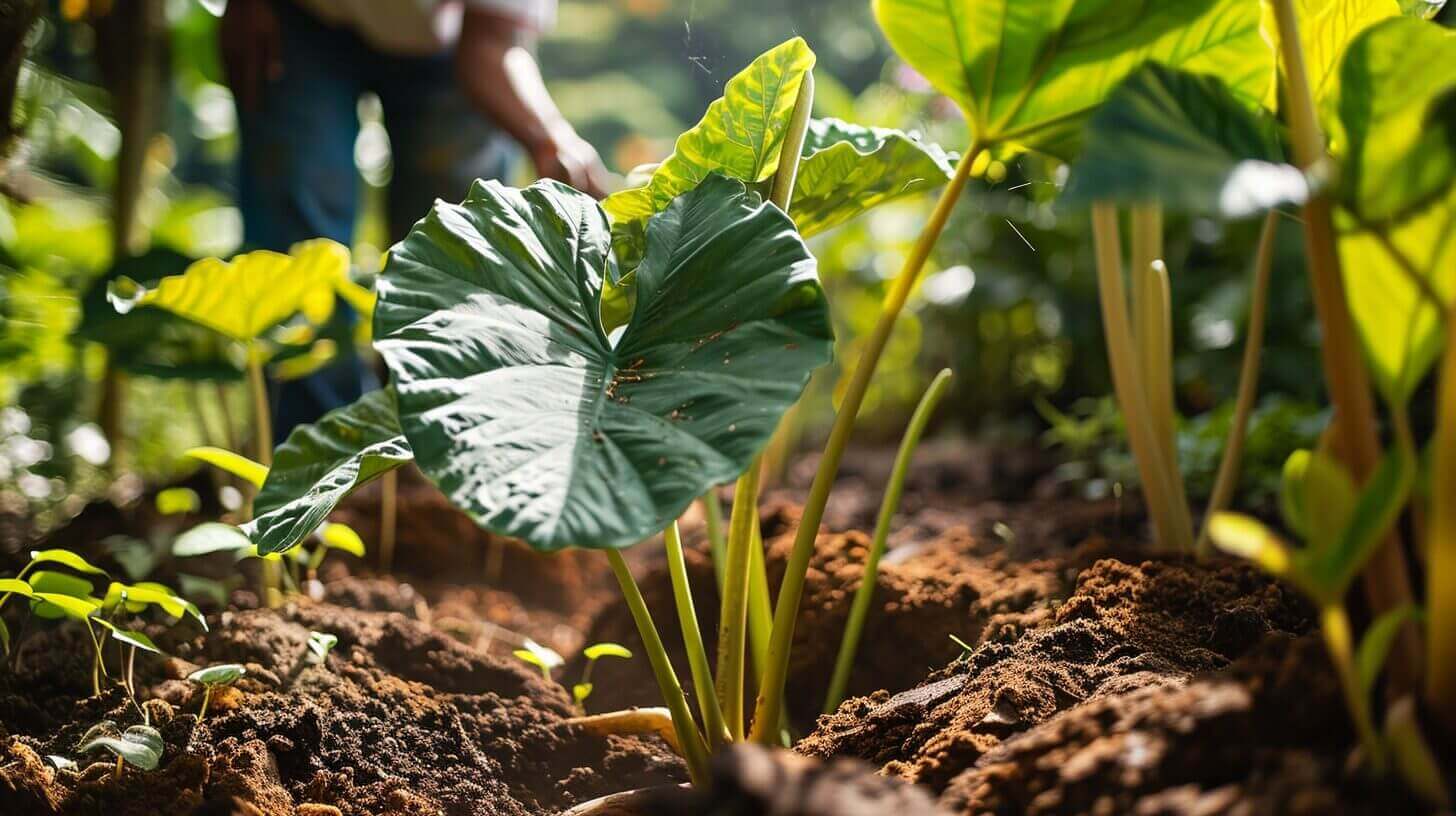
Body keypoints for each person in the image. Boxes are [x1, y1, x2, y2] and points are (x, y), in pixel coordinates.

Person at [220, 0, 609, 436]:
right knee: (298, 236)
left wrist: (550, 140)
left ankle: (430, 446)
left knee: (450, 258)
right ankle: (318, 451)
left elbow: (490, 42)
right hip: (301, 16)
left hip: (446, 42)